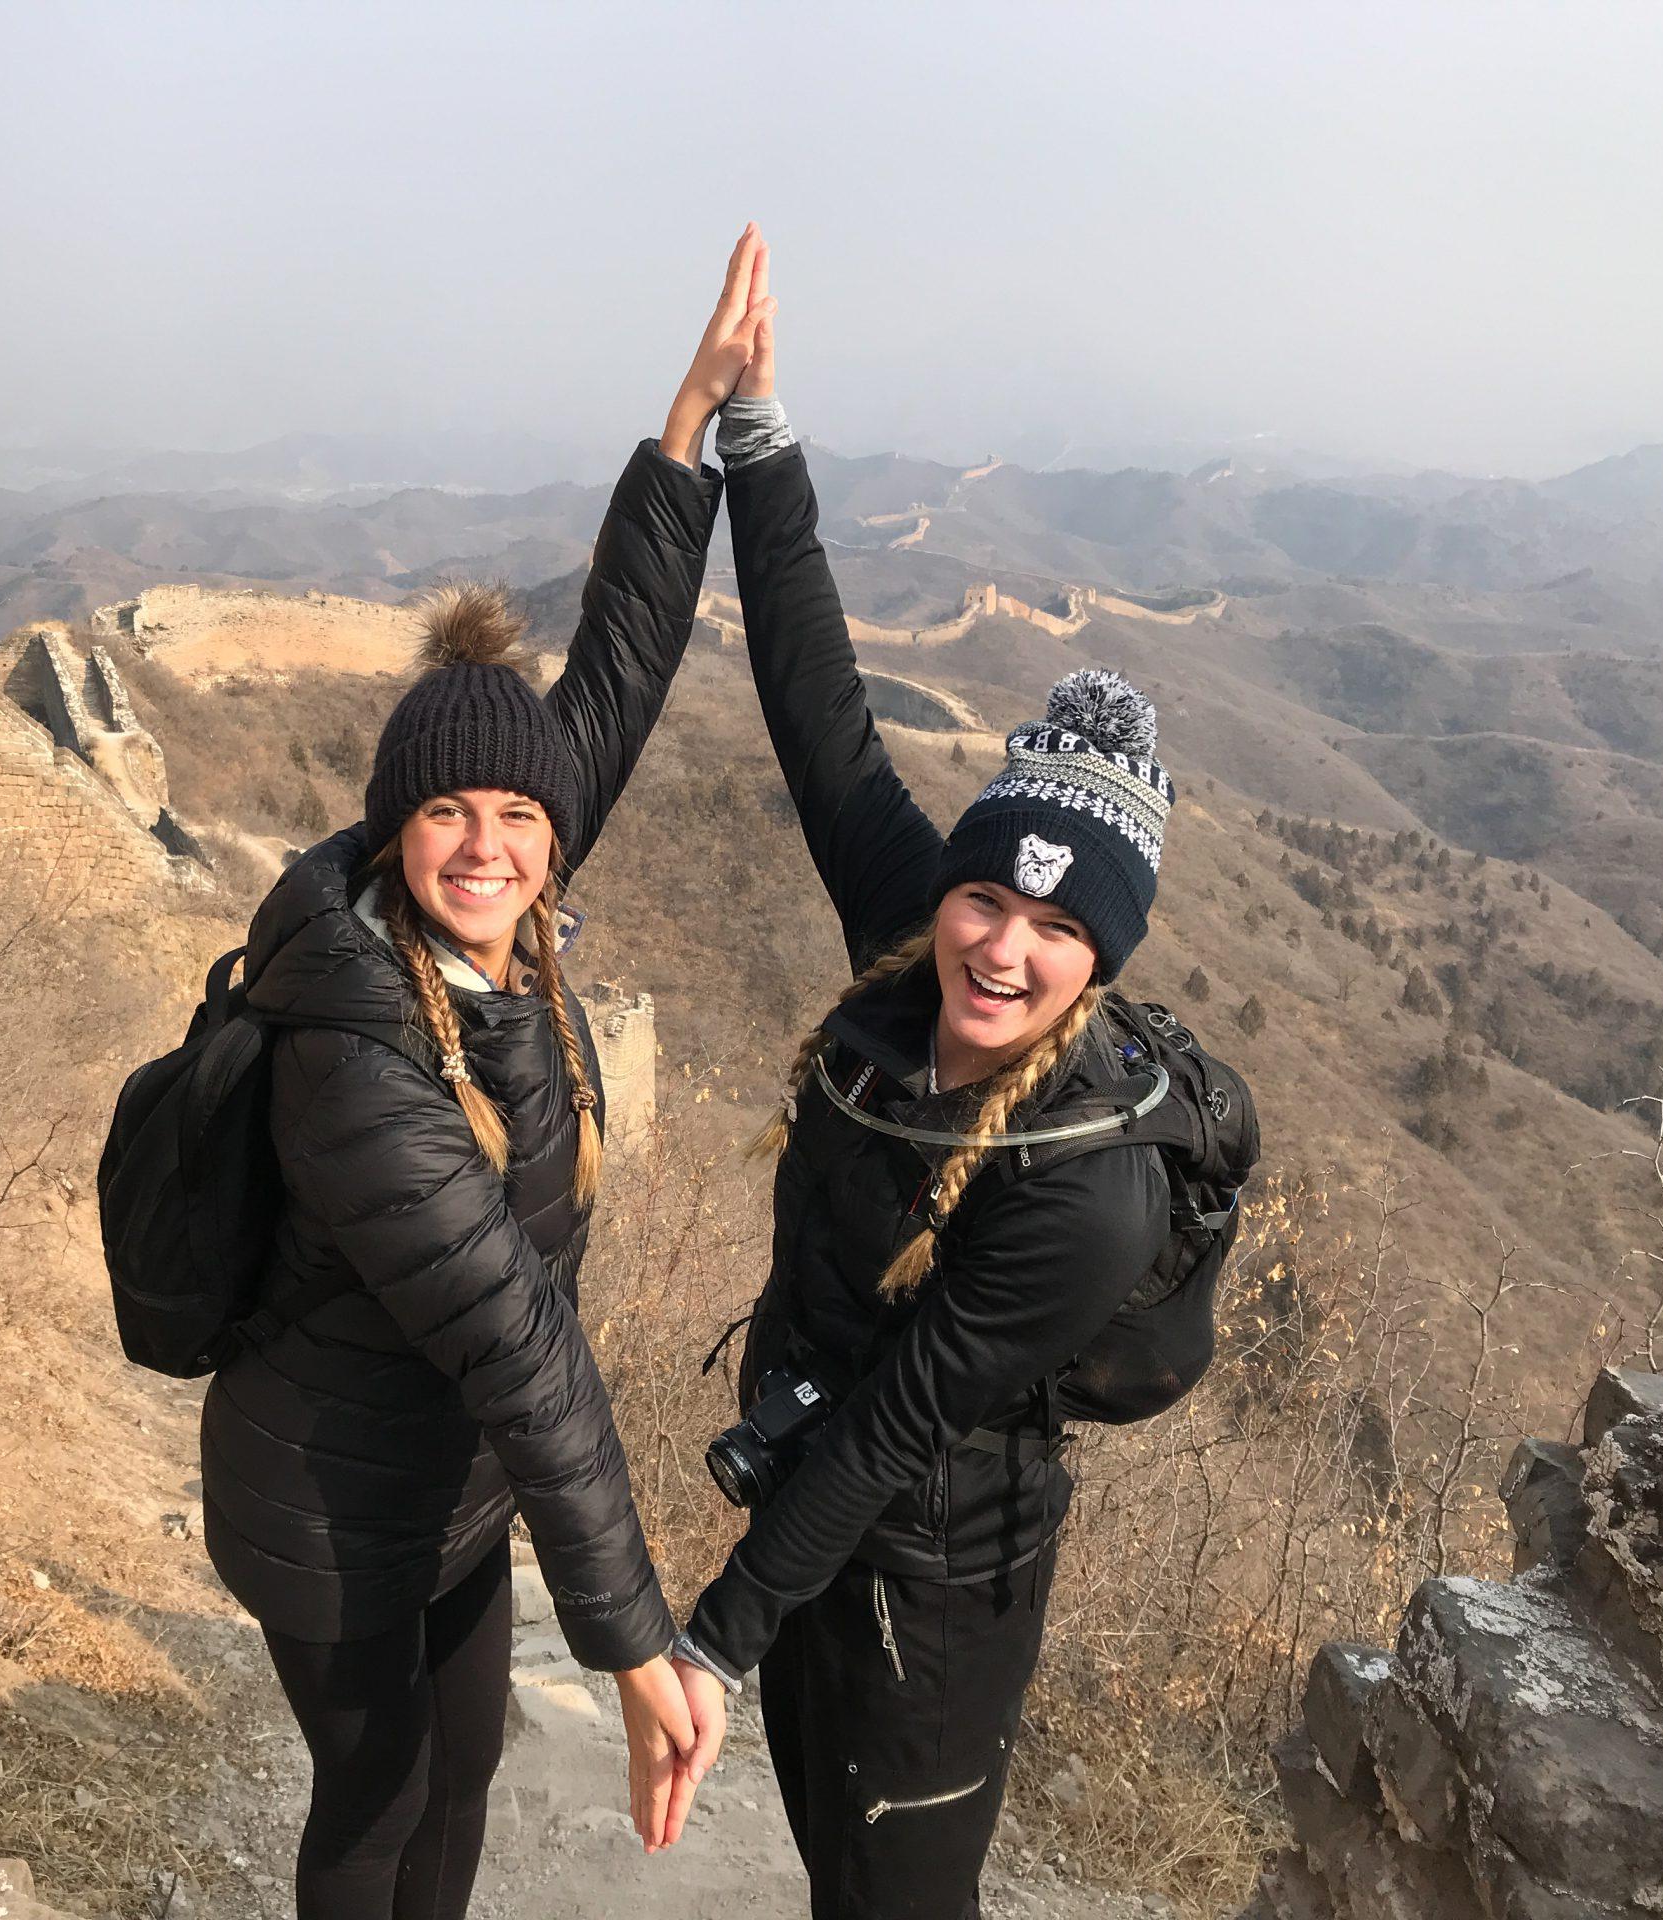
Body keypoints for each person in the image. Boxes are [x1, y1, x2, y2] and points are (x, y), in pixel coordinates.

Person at [197, 229, 775, 1919]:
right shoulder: (355, 1044)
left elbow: (610, 682)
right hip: (327, 1501)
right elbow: (523, 1349)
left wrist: (690, 428)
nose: (490, 843)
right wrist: (638, 1641)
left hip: (441, 1493)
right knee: (376, 1809)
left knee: (464, 1781)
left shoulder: (508, 919)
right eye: (449, 811)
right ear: (396, 825)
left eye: (520, 818)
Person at [665, 300, 1184, 1918]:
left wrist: (712, 1639)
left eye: (1055, 929)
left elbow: (904, 1422)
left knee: (896, 1895)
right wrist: (753, 435)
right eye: (986, 900)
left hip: (938, 1581)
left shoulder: (1086, 1186)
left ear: (1102, 957)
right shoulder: (918, 948)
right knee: (831, 1860)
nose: (1000, 949)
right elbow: (820, 712)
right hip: (820, 1503)